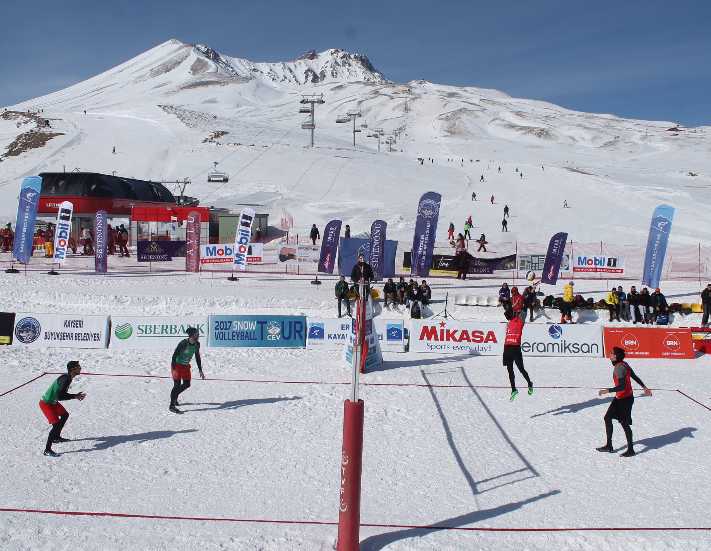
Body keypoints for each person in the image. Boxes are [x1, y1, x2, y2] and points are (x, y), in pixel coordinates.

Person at [597, 347, 652, 457]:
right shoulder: (624, 364)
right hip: (621, 398)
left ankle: (630, 450)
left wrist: (607, 390)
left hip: (625, 399)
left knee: (624, 423)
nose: (610, 354)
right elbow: (634, 376)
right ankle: (609, 445)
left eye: (612, 353)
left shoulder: (619, 368)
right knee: (607, 418)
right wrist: (644, 387)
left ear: (616, 356)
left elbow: (622, 386)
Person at [39, 361, 86, 457]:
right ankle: (47, 450)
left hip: (53, 402)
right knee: (56, 425)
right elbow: (60, 396)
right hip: (46, 403)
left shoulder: (67, 377)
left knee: (65, 415)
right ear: (73, 369)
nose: (80, 368)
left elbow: (60, 395)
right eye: (78, 367)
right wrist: (75, 396)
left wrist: (75, 396)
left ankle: (56, 437)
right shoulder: (66, 379)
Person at [169, 327, 204, 414]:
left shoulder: (197, 344)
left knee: (187, 384)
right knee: (176, 384)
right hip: (177, 365)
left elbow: (197, 357)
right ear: (192, 335)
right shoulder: (183, 343)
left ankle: (174, 396)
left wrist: (200, 370)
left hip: (185, 366)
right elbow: (175, 354)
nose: (198, 335)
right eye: (196, 334)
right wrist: (173, 367)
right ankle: (172, 405)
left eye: (198, 334)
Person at [503, 309, 533, 401]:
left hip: (515, 348)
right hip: (507, 347)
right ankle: (513, 389)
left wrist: (518, 310)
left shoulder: (520, 322)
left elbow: (524, 312)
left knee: (521, 369)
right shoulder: (508, 324)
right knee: (510, 370)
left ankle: (529, 383)